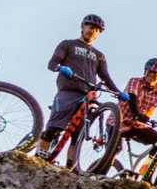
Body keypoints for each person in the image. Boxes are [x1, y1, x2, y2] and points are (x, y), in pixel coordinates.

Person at [34, 14, 127, 164]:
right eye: (90, 27)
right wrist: (61, 68)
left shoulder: (99, 55)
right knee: (54, 128)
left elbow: (105, 77)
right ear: (83, 27)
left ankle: (70, 168)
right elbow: (52, 63)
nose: (92, 31)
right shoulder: (68, 44)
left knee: (77, 137)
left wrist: (117, 92)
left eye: (97, 30)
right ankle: (39, 156)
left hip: (88, 97)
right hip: (68, 92)